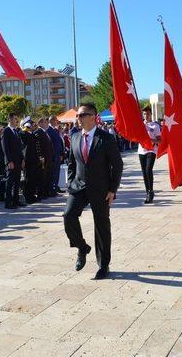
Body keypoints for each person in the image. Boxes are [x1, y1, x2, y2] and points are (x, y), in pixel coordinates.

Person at [63, 103, 123, 280]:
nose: (78, 119)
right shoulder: (74, 137)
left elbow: (117, 165)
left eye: (82, 115)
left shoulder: (105, 138)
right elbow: (72, 163)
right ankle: (82, 247)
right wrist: (70, 182)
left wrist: (113, 189)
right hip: (78, 186)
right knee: (68, 216)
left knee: (101, 225)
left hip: (101, 189)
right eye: (78, 116)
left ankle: (103, 265)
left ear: (92, 117)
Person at [1, 113, 25, 209]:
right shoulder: (5, 131)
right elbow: (5, 148)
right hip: (11, 161)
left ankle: (16, 200)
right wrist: (9, 161)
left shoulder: (16, 131)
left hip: (18, 160)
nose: (17, 121)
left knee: (17, 181)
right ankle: (8, 202)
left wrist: (22, 159)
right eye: (15, 119)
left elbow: (19, 147)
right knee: (10, 182)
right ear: (10, 120)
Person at [137, 107, 161, 204]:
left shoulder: (155, 126)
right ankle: (148, 191)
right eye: (144, 114)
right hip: (141, 150)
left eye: (147, 114)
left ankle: (151, 191)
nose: (146, 115)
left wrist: (151, 140)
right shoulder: (140, 125)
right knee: (144, 172)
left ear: (150, 114)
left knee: (148, 170)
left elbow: (159, 140)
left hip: (151, 150)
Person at [19, 118, 41, 204]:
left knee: (33, 179)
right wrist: (25, 128)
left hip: (34, 160)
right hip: (27, 160)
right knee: (28, 179)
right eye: (30, 124)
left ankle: (32, 195)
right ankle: (28, 196)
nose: (32, 126)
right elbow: (22, 135)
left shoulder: (32, 134)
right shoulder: (23, 133)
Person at [35, 118, 54, 199]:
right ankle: (41, 194)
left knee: (47, 176)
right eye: (45, 122)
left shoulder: (45, 132)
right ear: (40, 123)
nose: (47, 124)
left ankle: (46, 192)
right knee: (42, 176)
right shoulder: (38, 132)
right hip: (43, 158)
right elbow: (38, 146)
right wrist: (41, 157)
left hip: (48, 158)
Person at [47, 116, 64, 193]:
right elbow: (50, 144)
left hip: (57, 154)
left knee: (57, 171)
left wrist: (61, 154)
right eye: (56, 120)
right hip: (53, 155)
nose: (57, 122)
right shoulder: (48, 130)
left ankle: (56, 186)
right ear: (52, 121)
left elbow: (59, 143)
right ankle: (52, 188)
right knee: (53, 172)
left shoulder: (55, 130)